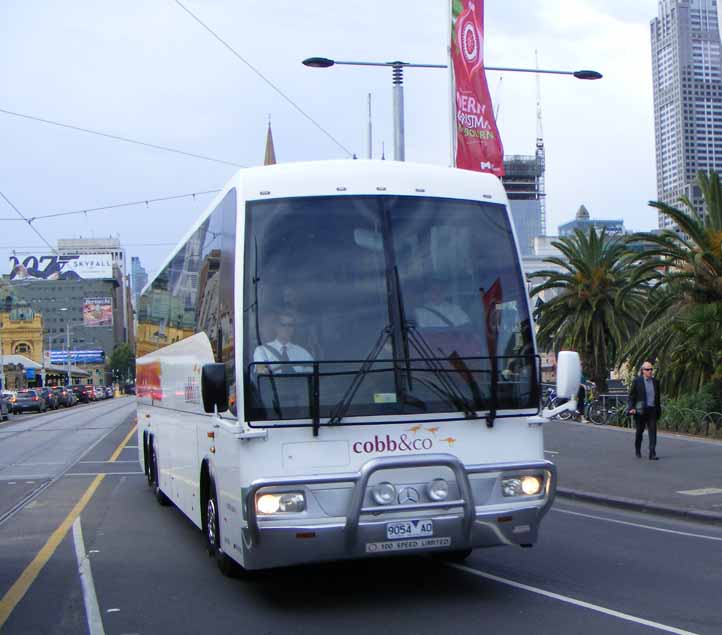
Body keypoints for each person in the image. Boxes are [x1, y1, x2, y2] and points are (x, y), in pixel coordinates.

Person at [628, 361, 662, 460]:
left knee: (653, 432)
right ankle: (637, 449)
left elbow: (658, 398)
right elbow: (631, 397)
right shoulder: (637, 381)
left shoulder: (656, 382)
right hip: (640, 410)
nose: (650, 371)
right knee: (639, 431)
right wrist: (631, 408)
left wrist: (658, 410)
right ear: (643, 371)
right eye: (647, 369)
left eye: (651, 369)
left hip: (652, 410)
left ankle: (652, 453)